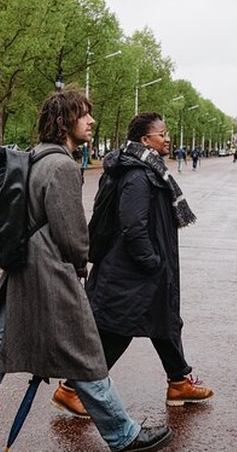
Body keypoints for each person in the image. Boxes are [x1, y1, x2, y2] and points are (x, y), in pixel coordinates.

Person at [0, 91, 174, 452]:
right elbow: (72, 234)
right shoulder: (62, 165)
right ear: (65, 123)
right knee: (84, 352)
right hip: (50, 275)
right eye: (84, 115)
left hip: (23, 272)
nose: (91, 121)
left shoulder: (36, 157)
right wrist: (81, 263)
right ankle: (122, 434)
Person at [74, 112, 212, 412]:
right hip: (131, 271)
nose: (168, 138)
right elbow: (133, 226)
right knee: (119, 330)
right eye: (162, 134)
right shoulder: (138, 174)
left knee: (165, 322)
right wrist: (151, 261)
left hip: (138, 268)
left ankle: (179, 381)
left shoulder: (148, 168)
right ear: (145, 140)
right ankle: (74, 389)